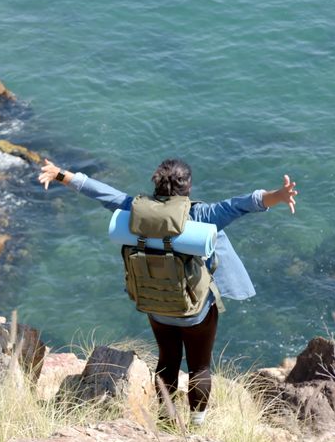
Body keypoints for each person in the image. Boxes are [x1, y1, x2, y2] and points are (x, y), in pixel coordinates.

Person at [38, 158, 298, 427]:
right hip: (195, 312)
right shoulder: (200, 215)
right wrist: (278, 196)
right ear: (188, 186)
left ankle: (167, 419)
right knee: (199, 367)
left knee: (167, 359)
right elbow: (240, 205)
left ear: (156, 184)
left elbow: (102, 193)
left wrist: (61, 174)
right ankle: (196, 424)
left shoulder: (134, 209)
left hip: (155, 306)